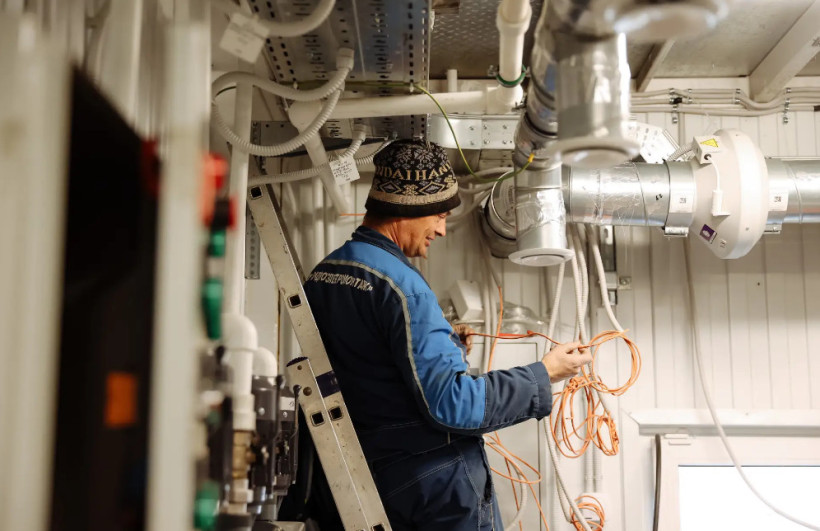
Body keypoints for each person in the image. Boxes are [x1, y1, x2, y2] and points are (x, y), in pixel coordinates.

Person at [301, 139, 592, 530]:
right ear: (407, 208)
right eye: (438, 215)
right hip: (427, 488)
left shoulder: (327, 272)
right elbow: (454, 406)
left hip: (366, 479)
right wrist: (544, 374)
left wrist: (444, 344)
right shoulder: (403, 287)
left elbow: (370, 365)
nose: (440, 229)